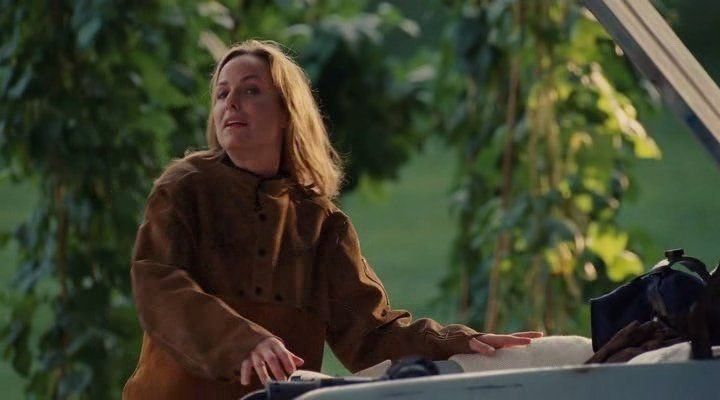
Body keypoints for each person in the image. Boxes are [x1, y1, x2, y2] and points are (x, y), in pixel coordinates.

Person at [122, 39, 542, 399]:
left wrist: (461, 343)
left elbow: (371, 335)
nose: (230, 102)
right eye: (221, 93)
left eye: (251, 90)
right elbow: (157, 285)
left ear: (287, 111)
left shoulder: (321, 224)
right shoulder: (184, 189)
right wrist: (242, 341)